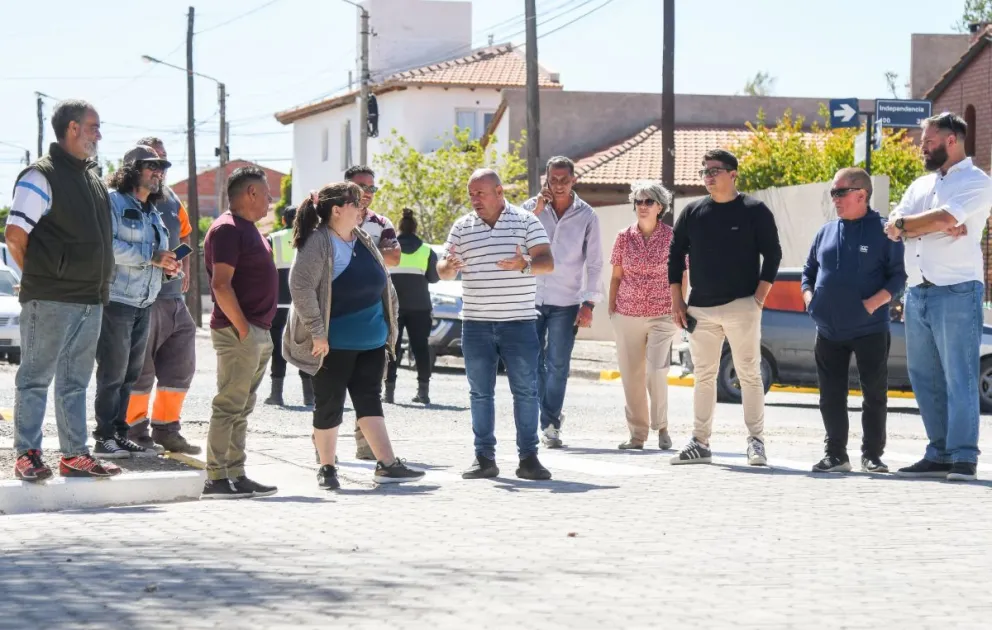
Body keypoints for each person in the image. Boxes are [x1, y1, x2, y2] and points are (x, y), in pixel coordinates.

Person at [6, 99, 121, 480]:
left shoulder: (91, 178)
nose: (98, 134)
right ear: (72, 128)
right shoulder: (41, 176)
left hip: (91, 298)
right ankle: (27, 454)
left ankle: (75, 455)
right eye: (93, 126)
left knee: (75, 383)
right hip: (51, 298)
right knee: (36, 378)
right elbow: (15, 236)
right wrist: (39, 278)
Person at [283, 183, 425, 489]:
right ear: (337, 210)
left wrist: (389, 328)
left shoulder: (361, 238)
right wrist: (318, 333)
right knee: (329, 404)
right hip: (332, 344)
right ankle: (327, 468)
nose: (361, 207)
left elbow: (384, 283)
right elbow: (301, 288)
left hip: (372, 341)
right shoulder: (318, 242)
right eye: (355, 202)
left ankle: (387, 464)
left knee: (369, 400)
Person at [884, 112, 992, 482]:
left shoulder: (977, 182)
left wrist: (918, 224)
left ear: (951, 141)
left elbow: (941, 218)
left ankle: (963, 457)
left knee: (958, 375)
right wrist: (919, 224)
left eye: (928, 142)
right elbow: (896, 221)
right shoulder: (919, 185)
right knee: (924, 376)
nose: (922, 148)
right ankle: (939, 451)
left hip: (957, 290)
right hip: (918, 292)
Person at [439, 169, 555, 481]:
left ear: (499, 191)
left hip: (518, 323)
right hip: (476, 324)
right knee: (480, 393)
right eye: (471, 193)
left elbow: (547, 262)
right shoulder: (462, 227)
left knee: (526, 391)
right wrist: (447, 267)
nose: (474, 199)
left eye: (480, 193)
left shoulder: (526, 221)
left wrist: (526, 264)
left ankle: (529, 458)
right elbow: (444, 268)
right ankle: (484, 457)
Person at [669, 149, 782, 466]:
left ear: (733, 174)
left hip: (742, 306)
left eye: (715, 170)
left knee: (749, 375)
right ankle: (700, 442)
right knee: (703, 376)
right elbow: (675, 255)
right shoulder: (692, 212)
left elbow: (773, 255)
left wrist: (758, 298)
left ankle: (756, 442)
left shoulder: (754, 210)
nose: (708, 175)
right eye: (704, 170)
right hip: (700, 309)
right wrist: (677, 298)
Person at [802, 167, 907, 474]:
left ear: (861, 195)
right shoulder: (825, 232)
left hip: (869, 329)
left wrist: (874, 304)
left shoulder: (884, 230)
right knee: (830, 396)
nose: (834, 199)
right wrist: (810, 298)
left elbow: (899, 275)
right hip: (828, 331)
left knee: (874, 394)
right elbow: (808, 271)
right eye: (833, 193)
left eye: (840, 192)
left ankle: (872, 455)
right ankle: (835, 454)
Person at [93, 145, 179, 459]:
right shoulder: (113, 202)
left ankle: (119, 432)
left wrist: (168, 266)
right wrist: (151, 257)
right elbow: (108, 246)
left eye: (161, 168)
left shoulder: (153, 212)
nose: (159, 173)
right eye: (151, 167)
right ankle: (103, 438)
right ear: (132, 169)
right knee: (112, 372)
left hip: (145, 301)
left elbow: (156, 258)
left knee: (130, 373)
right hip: (117, 299)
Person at [201, 166, 280, 499]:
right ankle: (216, 477)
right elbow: (221, 285)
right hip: (239, 332)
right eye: (266, 192)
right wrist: (245, 330)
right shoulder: (227, 229)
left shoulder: (250, 230)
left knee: (243, 407)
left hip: (256, 331)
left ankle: (236, 472)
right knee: (229, 405)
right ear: (250, 193)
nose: (270, 199)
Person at [124, 137, 201, 455]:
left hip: (173, 298)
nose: (160, 168)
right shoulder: (123, 199)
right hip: (141, 299)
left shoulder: (170, 199)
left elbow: (184, 232)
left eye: (164, 160)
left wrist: (184, 266)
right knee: (140, 371)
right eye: (154, 161)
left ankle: (167, 429)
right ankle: (134, 430)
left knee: (180, 366)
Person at [521, 156, 603, 449]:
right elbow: (514, 245)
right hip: (529, 298)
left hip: (566, 300)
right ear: (545, 179)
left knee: (557, 364)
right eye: (553, 180)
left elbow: (594, 264)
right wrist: (536, 212)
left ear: (574, 181)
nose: (558, 186)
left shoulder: (587, 216)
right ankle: (547, 416)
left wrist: (589, 304)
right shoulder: (529, 210)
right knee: (531, 363)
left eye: (564, 180)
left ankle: (551, 422)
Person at [608, 181, 680, 451]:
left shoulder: (673, 237)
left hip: (663, 315)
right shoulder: (623, 237)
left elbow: (681, 276)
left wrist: (679, 306)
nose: (642, 206)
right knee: (632, 376)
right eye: (638, 201)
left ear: (660, 206)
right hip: (627, 314)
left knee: (656, 371)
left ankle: (661, 427)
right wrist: (612, 310)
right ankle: (637, 435)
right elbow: (616, 276)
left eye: (648, 201)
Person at [343, 165, 400, 460]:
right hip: (336, 312)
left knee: (369, 382)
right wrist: (372, 253)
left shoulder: (380, 222)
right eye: (360, 186)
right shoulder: (329, 219)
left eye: (372, 188)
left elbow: (395, 256)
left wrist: (359, 252)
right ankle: (324, 450)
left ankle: (366, 446)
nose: (367, 193)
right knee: (332, 383)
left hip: (374, 311)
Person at [385, 208, 440, 405]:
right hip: (420, 307)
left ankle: (389, 392)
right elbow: (434, 278)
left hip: (394, 307)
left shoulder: (390, 249)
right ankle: (423, 392)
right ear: (415, 227)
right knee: (421, 348)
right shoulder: (426, 250)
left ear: (399, 227)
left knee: (392, 348)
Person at [263, 205, 315, 408]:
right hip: (304, 304)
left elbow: (262, 271)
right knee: (306, 348)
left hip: (278, 304)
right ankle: (309, 397)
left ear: (284, 220)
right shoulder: (313, 239)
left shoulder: (273, 239)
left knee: (279, 348)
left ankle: (276, 394)